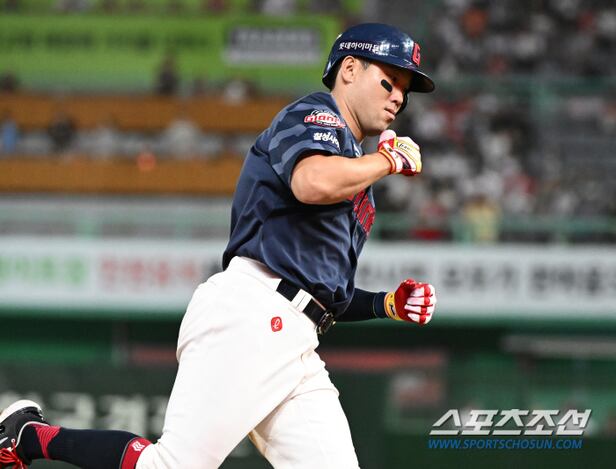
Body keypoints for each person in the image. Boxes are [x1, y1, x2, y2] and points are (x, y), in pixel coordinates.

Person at [0, 23, 437, 469]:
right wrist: (385, 160)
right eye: (389, 81)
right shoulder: (316, 115)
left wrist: (385, 303)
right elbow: (311, 182)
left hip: (297, 338)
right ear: (349, 69)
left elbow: (323, 290)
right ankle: (29, 436)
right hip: (253, 314)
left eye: (405, 91)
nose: (398, 97)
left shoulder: (357, 171)